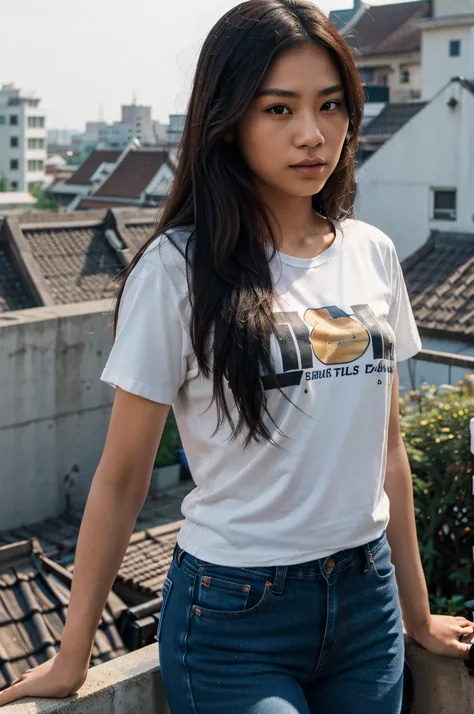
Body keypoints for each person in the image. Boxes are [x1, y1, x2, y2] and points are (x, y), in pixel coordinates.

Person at [1, 1, 472, 712]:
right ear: (228, 120)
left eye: (331, 105)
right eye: (279, 110)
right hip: (236, 613)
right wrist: (73, 655)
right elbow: (124, 475)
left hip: (365, 604)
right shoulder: (176, 270)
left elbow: (389, 452)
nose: (313, 135)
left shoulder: (371, 253)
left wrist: (415, 612)